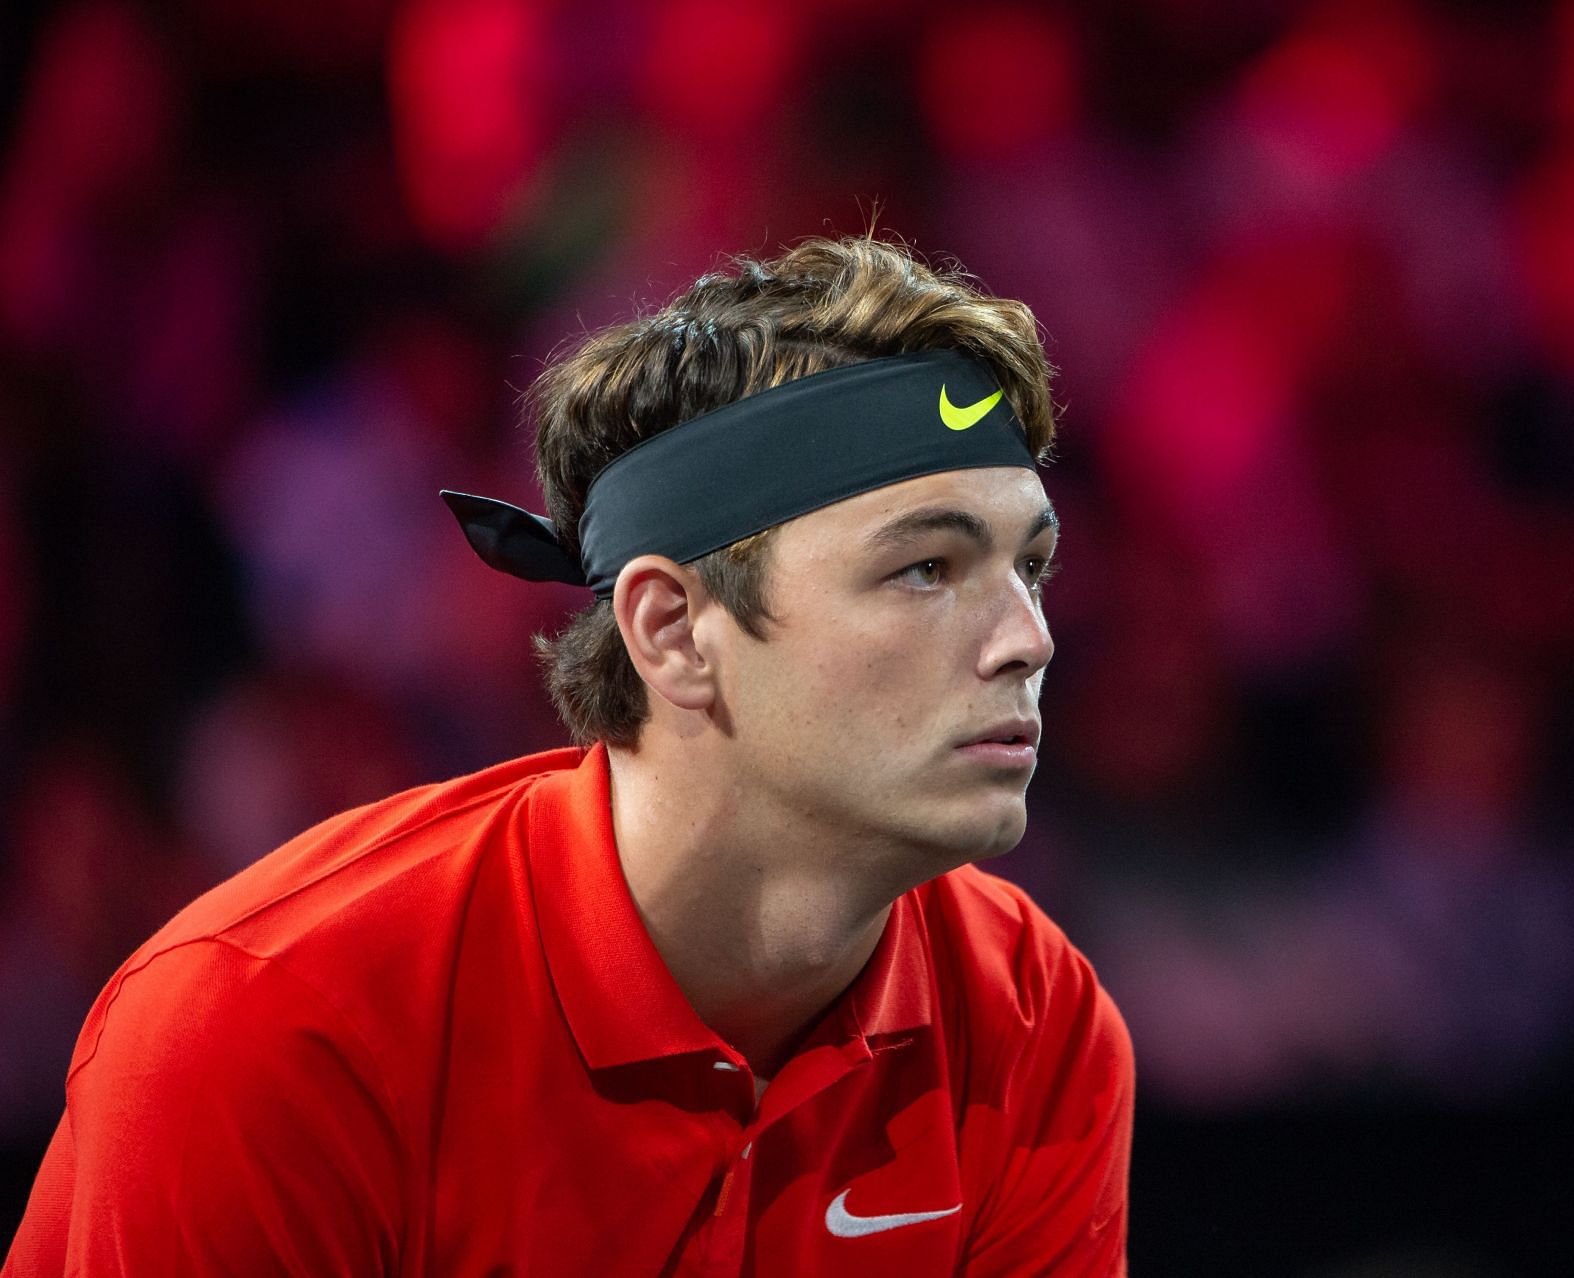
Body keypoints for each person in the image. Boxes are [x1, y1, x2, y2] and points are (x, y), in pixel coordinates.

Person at [3, 236, 1133, 1275]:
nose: (1027, 638)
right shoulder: (266, 1035)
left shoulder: (1034, 1019)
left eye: (1028, 567)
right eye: (925, 568)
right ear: (673, 631)